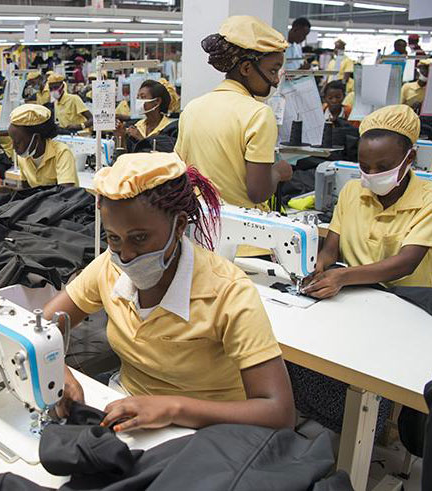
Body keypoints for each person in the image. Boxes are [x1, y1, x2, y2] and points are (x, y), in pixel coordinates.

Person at [44, 152, 295, 431]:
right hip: (125, 407)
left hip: (209, 431)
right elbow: (42, 326)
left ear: (179, 226)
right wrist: (57, 370)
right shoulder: (109, 267)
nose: (125, 255)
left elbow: (279, 411)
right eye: (114, 238)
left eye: (140, 238)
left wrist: (173, 408)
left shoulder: (228, 292)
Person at [302, 105, 432, 298]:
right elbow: (331, 250)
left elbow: (405, 263)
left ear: (409, 157)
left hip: (406, 303)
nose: (371, 175)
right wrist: (316, 267)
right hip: (351, 297)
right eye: (364, 166)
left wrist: (341, 277)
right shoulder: (352, 191)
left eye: (383, 167)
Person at [175, 16, 292, 213]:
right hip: (243, 232)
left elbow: (180, 171)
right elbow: (258, 192)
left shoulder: (192, 108)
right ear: (246, 68)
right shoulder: (259, 114)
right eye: (273, 71)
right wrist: (279, 172)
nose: (275, 81)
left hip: (201, 225)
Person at [6, 104, 77, 188]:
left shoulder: (61, 153)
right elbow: (26, 191)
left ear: (36, 138)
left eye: (18, 142)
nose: (13, 147)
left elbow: (65, 195)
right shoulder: (23, 157)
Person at [115, 79, 175, 153]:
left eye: (143, 97)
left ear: (157, 101)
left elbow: (167, 156)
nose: (139, 101)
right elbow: (126, 156)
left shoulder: (170, 129)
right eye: (138, 97)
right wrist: (121, 137)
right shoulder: (137, 126)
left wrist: (142, 139)